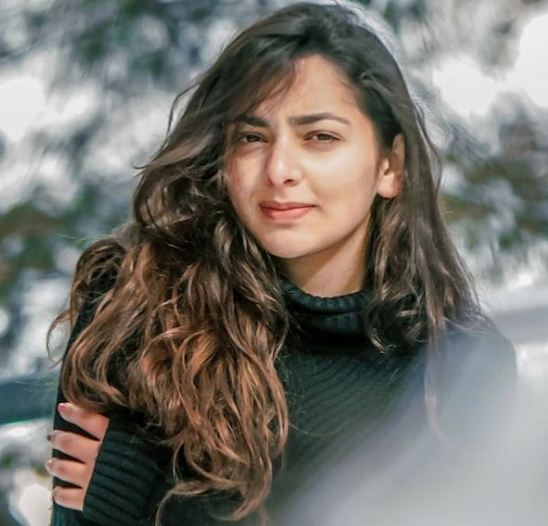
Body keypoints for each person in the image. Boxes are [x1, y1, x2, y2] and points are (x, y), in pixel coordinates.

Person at [45, 2, 517, 525]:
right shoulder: (139, 307)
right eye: (252, 138)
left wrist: (173, 509)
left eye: (320, 137)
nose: (279, 169)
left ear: (391, 165)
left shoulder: (461, 366)